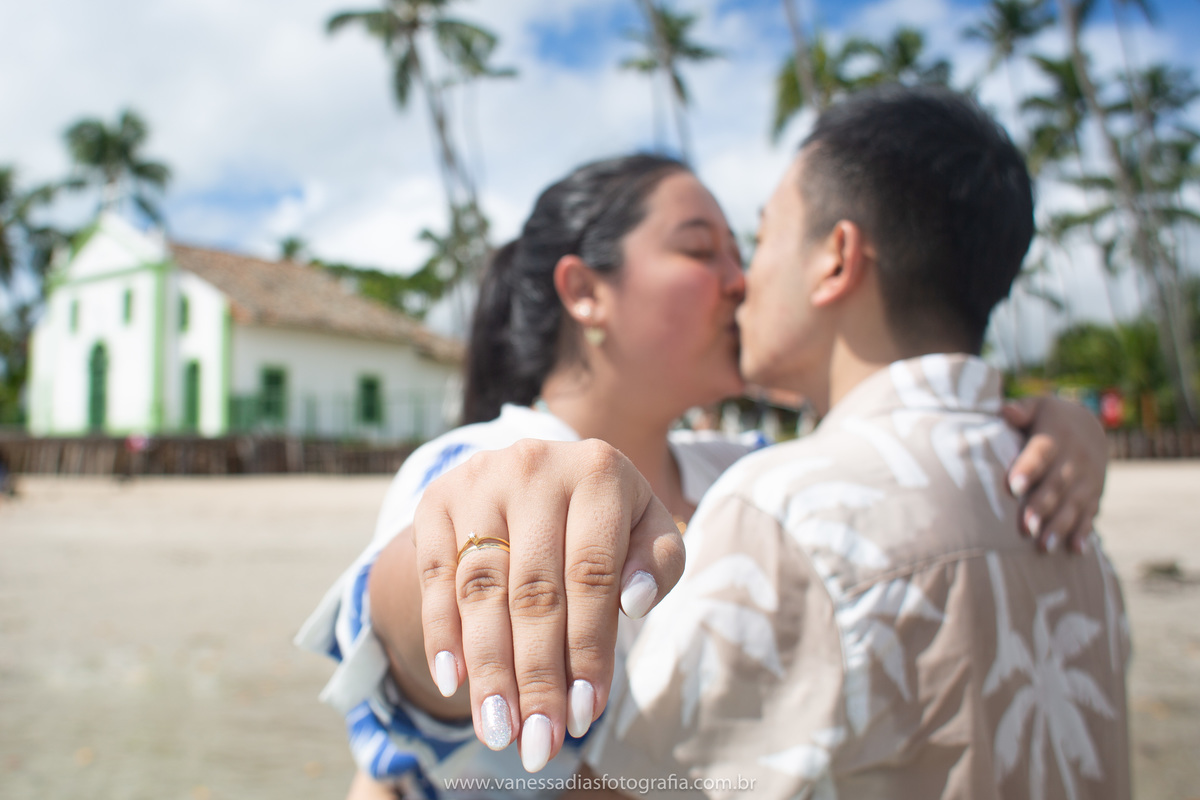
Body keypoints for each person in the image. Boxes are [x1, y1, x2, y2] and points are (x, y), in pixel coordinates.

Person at [297, 151, 1111, 799]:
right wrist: (442, 567)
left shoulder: (755, 475)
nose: (740, 280)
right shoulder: (474, 464)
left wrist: (1040, 422)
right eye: (700, 249)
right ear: (584, 292)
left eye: (743, 250)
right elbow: (402, 655)